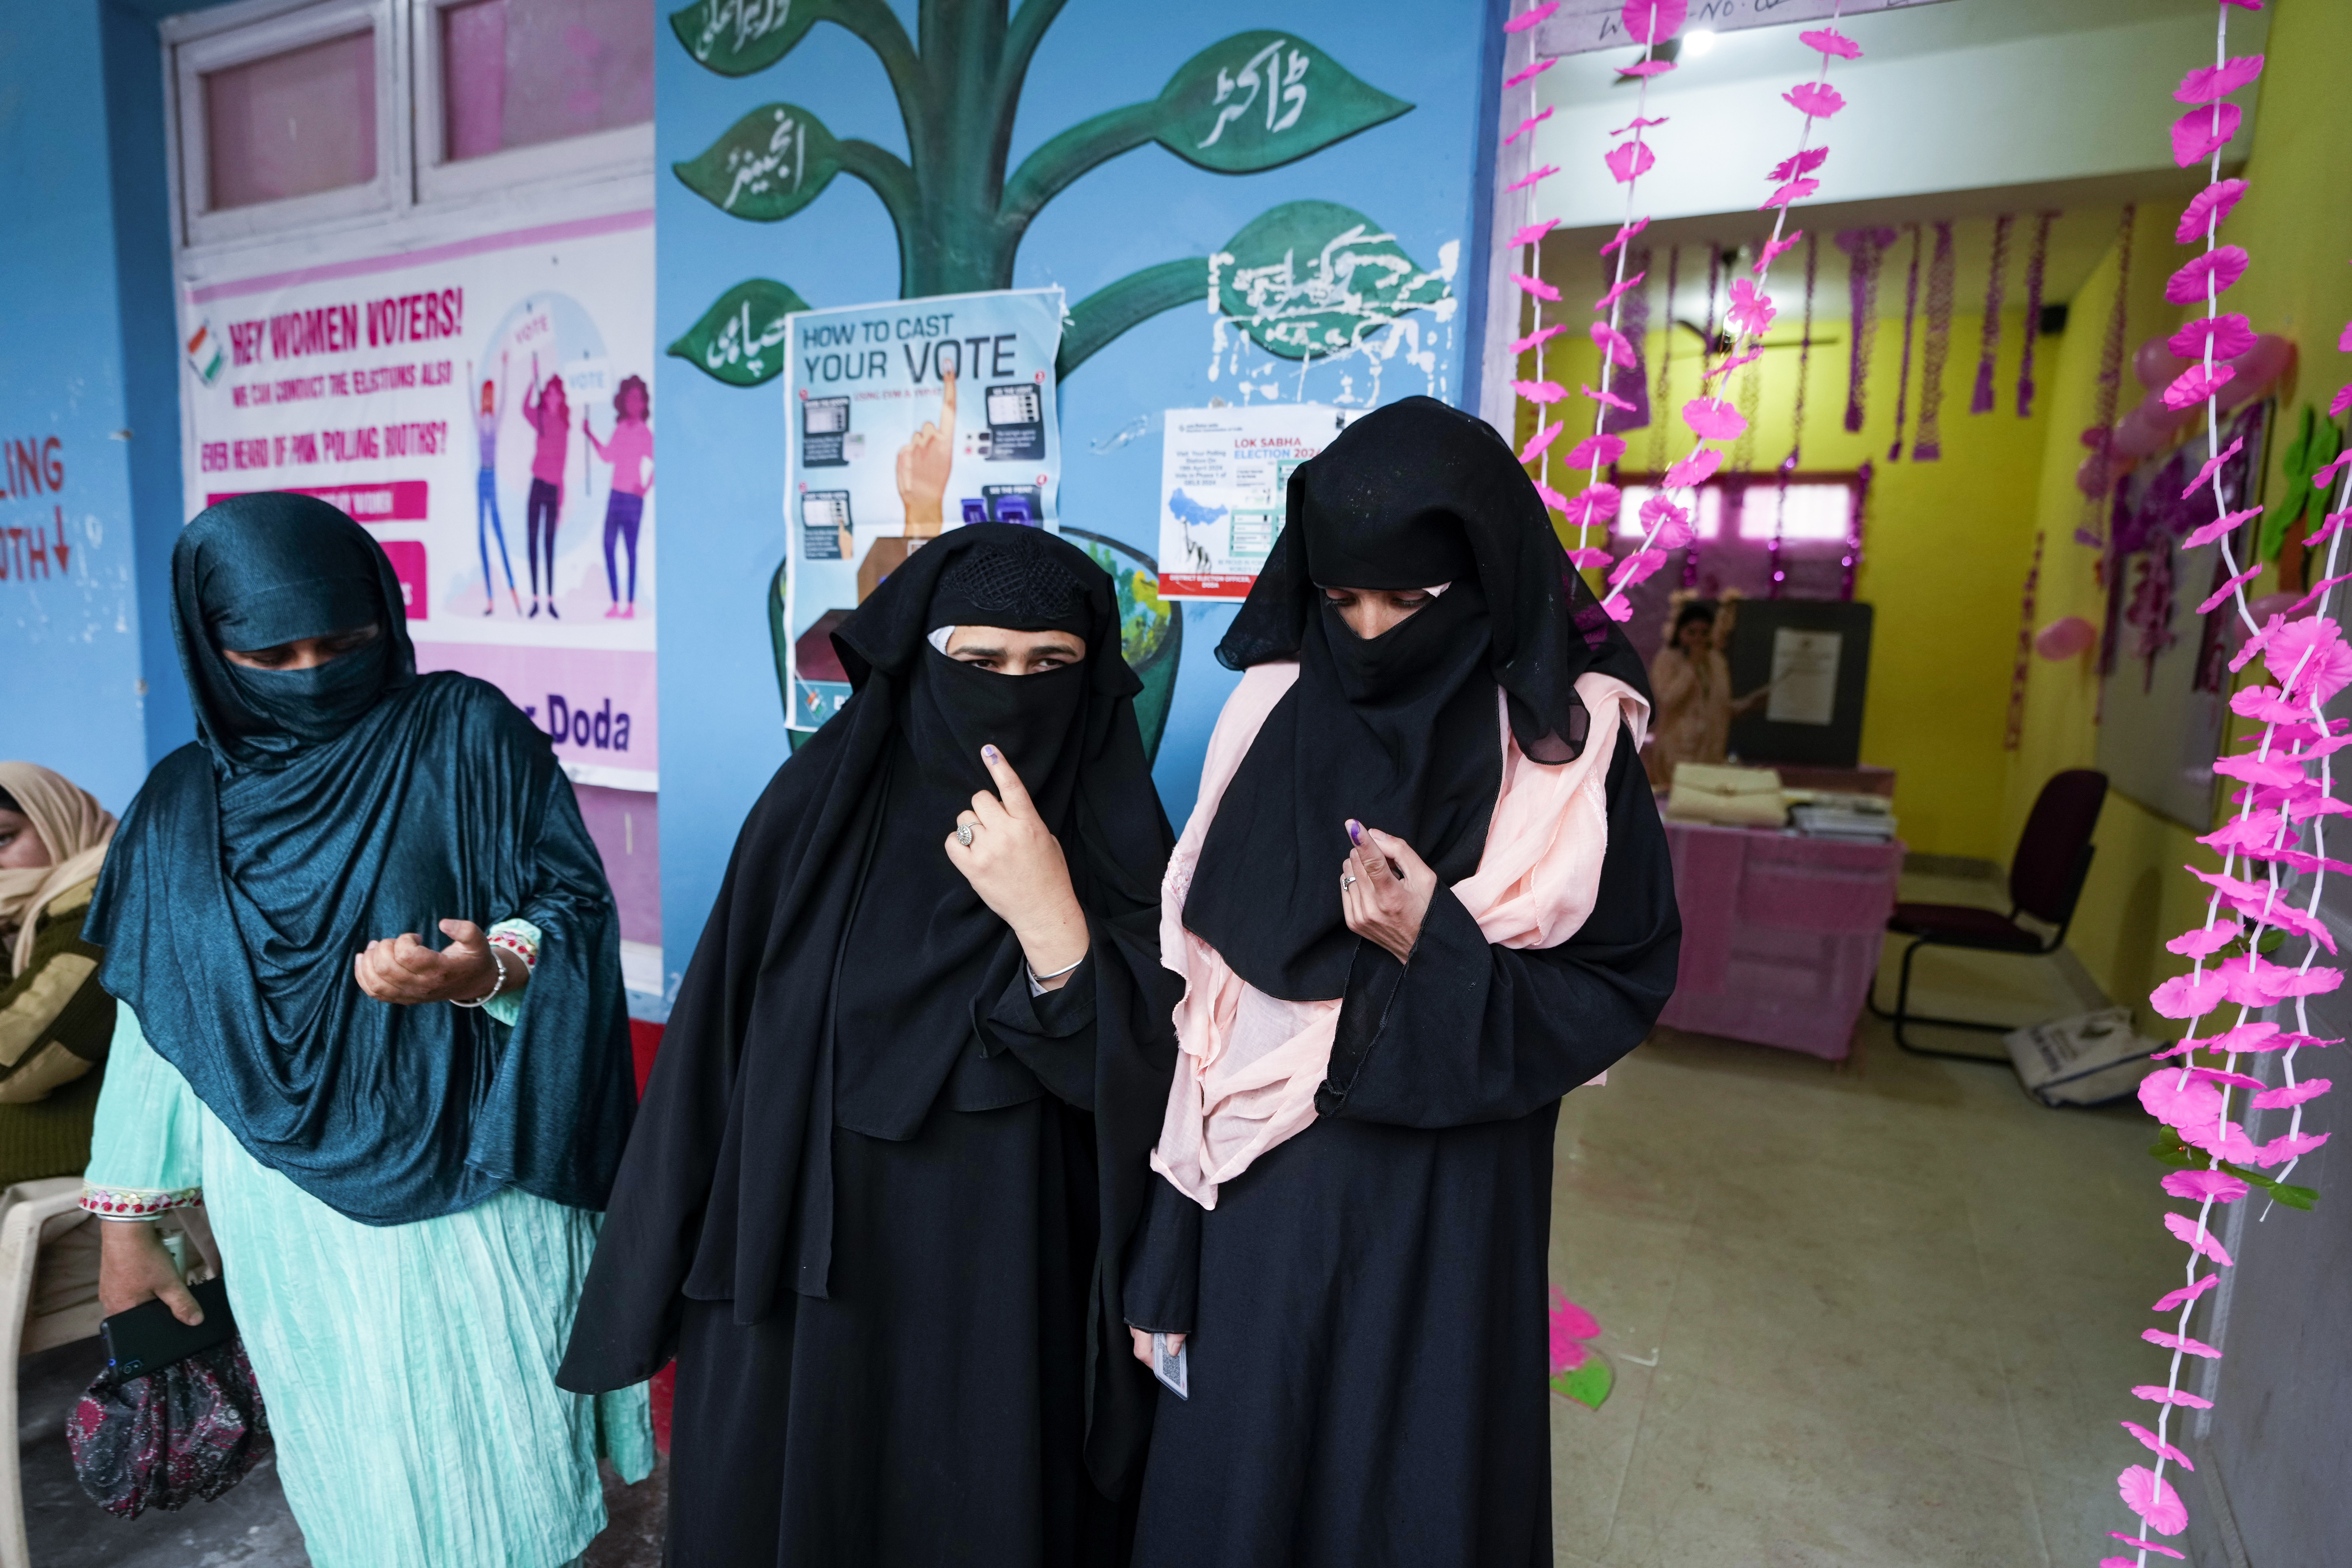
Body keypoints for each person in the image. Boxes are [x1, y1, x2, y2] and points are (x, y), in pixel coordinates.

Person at [1121, 397, 1681, 1568]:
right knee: (1246, 1488)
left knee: (1403, 1497)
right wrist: (1169, 1241)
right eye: (1340, 601)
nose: (1369, 632)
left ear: (1480, 575)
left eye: (1409, 603)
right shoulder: (1270, 710)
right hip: (1260, 1209)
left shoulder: (1564, 748)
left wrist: (1434, 944)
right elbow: (1208, 1013)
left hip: (1446, 1209)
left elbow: (1616, 982)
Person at [559, 523, 1178, 1566]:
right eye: (977, 662)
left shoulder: (1117, 837)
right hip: (815, 1291)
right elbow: (711, 1054)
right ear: (920, 660)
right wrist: (646, 1272)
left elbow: (1155, 1091)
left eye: (1051, 667)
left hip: (1010, 1283)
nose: (1012, 694)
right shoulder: (814, 814)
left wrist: (1051, 922)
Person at [81, 493, 649, 1567]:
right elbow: (159, 1017)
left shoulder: (464, 733)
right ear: (211, 650)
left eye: (341, 644)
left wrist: (489, 968)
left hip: (480, 1165)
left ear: (384, 620)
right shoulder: (178, 811)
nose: (310, 675)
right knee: (356, 1467)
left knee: (507, 1462)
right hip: (288, 1208)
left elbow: (571, 901)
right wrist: (126, 1223)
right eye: (270, 654)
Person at [0, 763, 118, 1187]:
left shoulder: (103, 907)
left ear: (59, 819)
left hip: (88, 1209)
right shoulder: (28, 919)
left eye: (4, 839)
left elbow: (10, 1063)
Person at [1644, 595, 1770, 787]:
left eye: (1704, 633)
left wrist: (1749, 704)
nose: (1698, 639)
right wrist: (1691, 667)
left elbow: (1720, 706)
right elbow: (1668, 700)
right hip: (1678, 751)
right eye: (1692, 633)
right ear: (1680, 633)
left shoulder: (1716, 661)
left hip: (1711, 751)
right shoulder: (1667, 660)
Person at [583, 374, 654, 620]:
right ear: (623, 402)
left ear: (644, 404)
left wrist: (645, 487)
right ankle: (616, 602)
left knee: (631, 551)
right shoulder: (621, 429)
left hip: (633, 500)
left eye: (638, 399)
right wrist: (589, 434)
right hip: (615, 496)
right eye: (630, 398)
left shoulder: (645, 433)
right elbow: (607, 456)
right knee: (609, 546)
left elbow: (659, 460)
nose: (634, 403)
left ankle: (631, 605)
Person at [470, 353, 523, 617]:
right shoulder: (480, 421)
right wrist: (470, 374)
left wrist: (504, 367)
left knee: (499, 533)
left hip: (491, 477)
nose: (489, 400)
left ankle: (513, 592)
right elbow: (470, 401)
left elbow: (504, 401)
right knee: (482, 534)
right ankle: (490, 598)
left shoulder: (496, 419)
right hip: (482, 477)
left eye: (491, 395)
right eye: (486, 396)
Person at [523, 360, 570, 618]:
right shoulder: (540, 419)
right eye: (549, 393)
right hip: (537, 485)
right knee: (532, 540)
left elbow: (563, 466)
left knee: (548, 543)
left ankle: (550, 600)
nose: (553, 397)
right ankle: (534, 599)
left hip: (553, 490)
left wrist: (561, 501)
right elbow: (524, 408)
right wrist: (533, 379)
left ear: (561, 398)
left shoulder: (563, 428)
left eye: (557, 394)